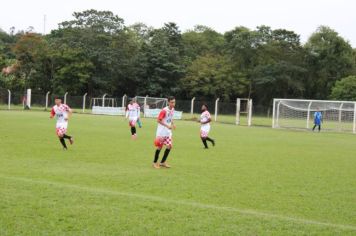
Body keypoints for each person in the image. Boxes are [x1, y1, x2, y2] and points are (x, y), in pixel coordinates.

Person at [152, 96, 176, 169]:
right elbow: (158, 120)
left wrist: (173, 124)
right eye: (172, 102)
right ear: (168, 102)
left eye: (174, 102)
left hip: (168, 132)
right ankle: (155, 162)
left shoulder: (172, 109)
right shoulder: (164, 111)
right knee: (160, 147)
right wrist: (167, 126)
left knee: (169, 146)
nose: (173, 104)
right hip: (161, 132)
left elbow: (170, 118)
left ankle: (162, 162)